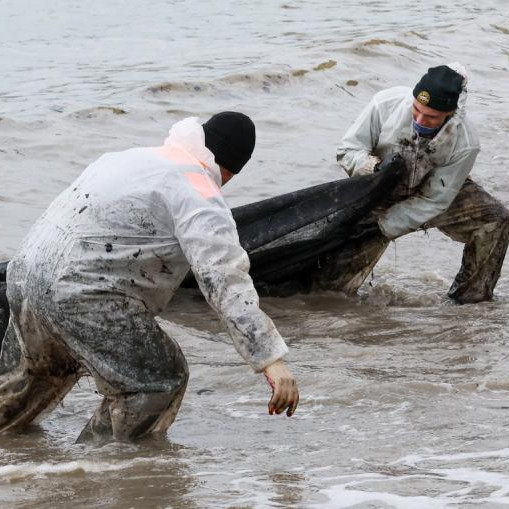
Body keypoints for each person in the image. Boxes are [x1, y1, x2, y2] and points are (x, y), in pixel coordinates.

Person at [0, 112, 299, 441]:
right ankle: (94, 469)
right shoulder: (199, 192)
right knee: (157, 379)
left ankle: (15, 461)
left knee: (31, 380)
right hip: (80, 293)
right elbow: (224, 279)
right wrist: (271, 361)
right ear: (230, 169)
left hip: (24, 274)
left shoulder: (129, 158)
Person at [335, 63, 509, 303]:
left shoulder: (466, 143)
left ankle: (470, 299)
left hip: (431, 192)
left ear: (449, 114)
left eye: (430, 117)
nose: (419, 119)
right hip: (376, 193)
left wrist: (384, 226)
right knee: (334, 288)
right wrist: (372, 167)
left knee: (495, 218)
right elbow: (347, 150)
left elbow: (436, 199)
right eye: (416, 110)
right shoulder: (383, 104)